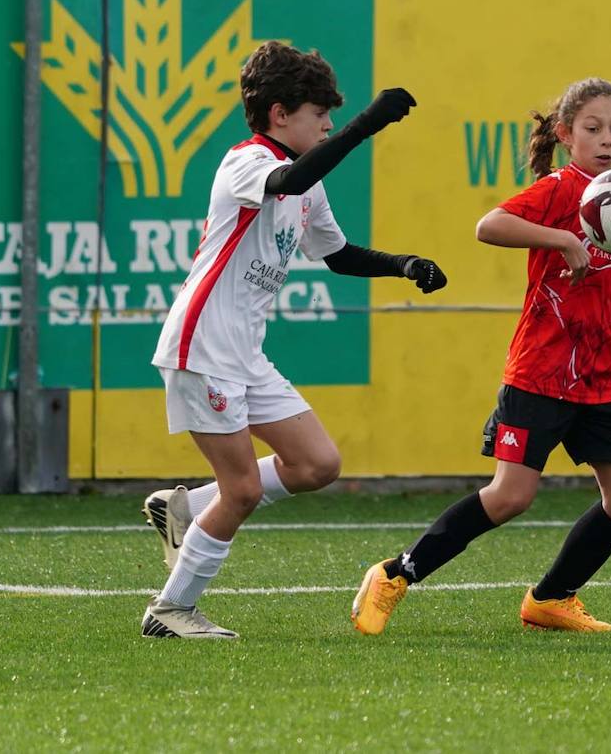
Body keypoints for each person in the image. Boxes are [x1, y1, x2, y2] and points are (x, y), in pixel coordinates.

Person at [349, 76, 611, 635]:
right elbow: (488, 226)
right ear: (567, 134)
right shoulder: (559, 191)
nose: (606, 139)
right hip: (540, 373)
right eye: (593, 129)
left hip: (602, 378)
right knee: (510, 496)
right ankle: (396, 573)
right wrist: (562, 239)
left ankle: (550, 599)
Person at [140, 41, 446, 639]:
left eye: (334, 116)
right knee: (244, 491)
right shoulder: (248, 161)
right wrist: (367, 126)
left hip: (243, 353)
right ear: (280, 115)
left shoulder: (308, 184)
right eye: (318, 113)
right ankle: (170, 609)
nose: (329, 123)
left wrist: (404, 264)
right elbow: (293, 175)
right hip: (202, 347)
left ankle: (188, 509)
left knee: (317, 464)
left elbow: (335, 254)